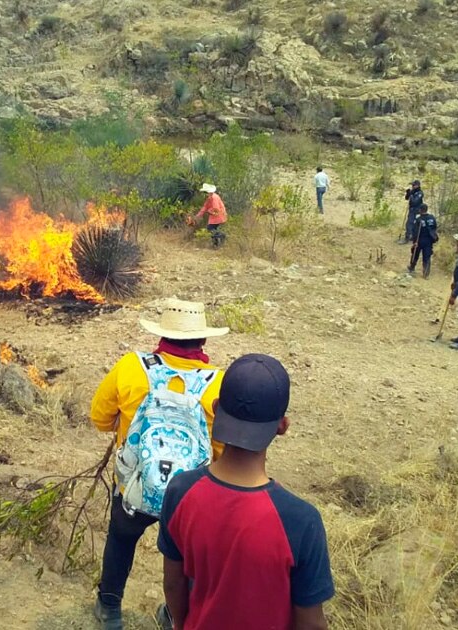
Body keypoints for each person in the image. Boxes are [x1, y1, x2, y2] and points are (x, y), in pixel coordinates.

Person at [156, 354, 334, 630]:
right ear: (282, 426)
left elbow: (173, 583)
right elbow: (311, 623)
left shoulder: (180, 492)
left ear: (215, 408)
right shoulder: (301, 521)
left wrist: (180, 625)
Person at [90, 299, 229, 630]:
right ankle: (175, 616)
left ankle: (109, 607)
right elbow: (222, 447)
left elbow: (98, 418)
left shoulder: (131, 367)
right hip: (191, 497)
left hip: (136, 487)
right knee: (187, 559)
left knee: (121, 540)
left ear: (162, 335)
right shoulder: (219, 383)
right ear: (203, 340)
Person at [408, 203, 438, 278]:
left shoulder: (419, 220)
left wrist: (414, 242)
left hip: (420, 240)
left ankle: (412, 267)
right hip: (429, 240)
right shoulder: (432, 218)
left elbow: (415, 232)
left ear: (420, 210)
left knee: (415, 254)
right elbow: (434, 228)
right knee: (427, 256)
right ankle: (426, 273)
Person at [193, 184, 227, 248]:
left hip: (219, 216)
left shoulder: (214, 197)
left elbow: (215, 208)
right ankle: (216, 245)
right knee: (212, 229)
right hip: (215, 216)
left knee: (210, 228)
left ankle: (221, 237)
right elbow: (204, 207)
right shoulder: (210, 198)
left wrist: (209, 211)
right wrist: (197, 216)